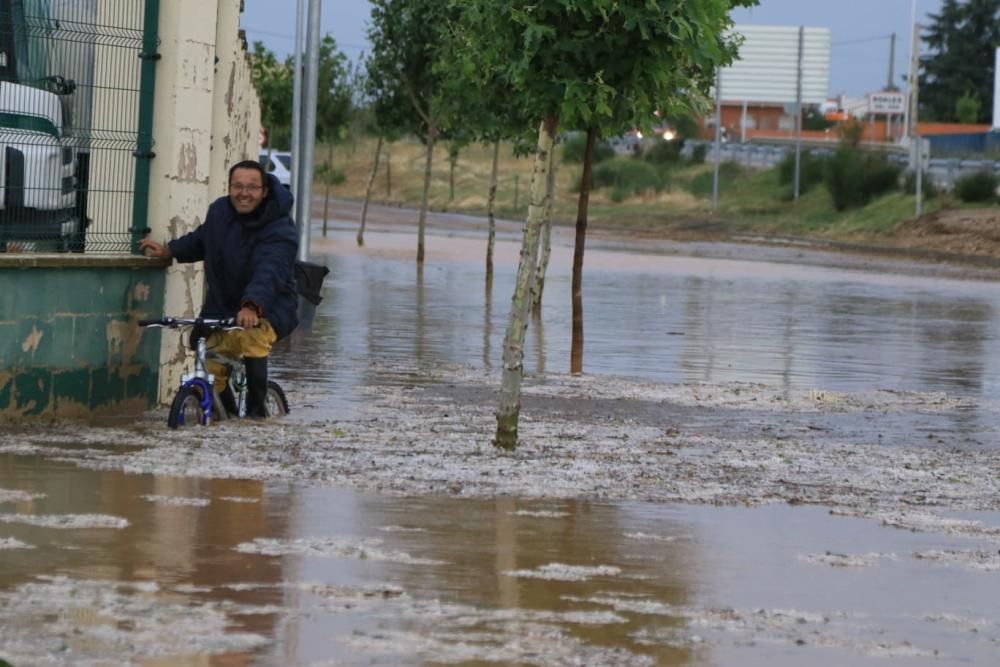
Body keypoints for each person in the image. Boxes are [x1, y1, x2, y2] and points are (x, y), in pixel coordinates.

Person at [140, 160, 299, 418]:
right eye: (237, 186)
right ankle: (224, 415)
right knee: (209, 353)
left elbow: (271, 271)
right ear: (229, 188)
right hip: (223, 306)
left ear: (265, 191)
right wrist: (171, 250)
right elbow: (202, 240)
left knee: (251, 338)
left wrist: (252, 305)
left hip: (269, 307)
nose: (244, 193)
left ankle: (257, 416)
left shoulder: (279, 228)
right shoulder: (219, 212)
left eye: (252, 187)